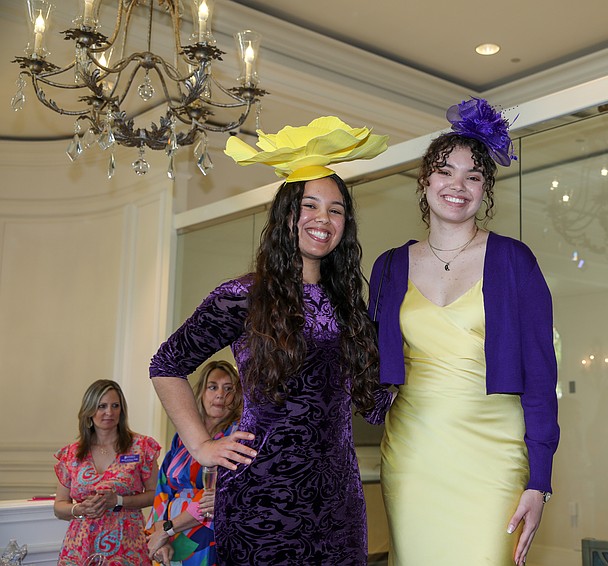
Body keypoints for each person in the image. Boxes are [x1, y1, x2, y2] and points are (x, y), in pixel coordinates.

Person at [149, 117, 394, 565]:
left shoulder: (350, 308)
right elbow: (166, 365)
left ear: (346, 225)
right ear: (286, 216)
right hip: (262, 497)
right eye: (310, 205)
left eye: (336, 209)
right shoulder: (243, 295)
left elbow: (375, 403)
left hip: (338, 499)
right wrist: (203, 445)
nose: (323, 218)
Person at [369, 97, 560, 566]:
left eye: (473, 176)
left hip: (495, 452)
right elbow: (366, 361)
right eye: (445, 171)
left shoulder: (515, 261)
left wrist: (539, 482)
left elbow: (540, 377)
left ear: (484, 189)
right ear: (425, 181)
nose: (458, 185)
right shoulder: (389, 266)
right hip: (413, 452)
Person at [53, 379, 161, 566]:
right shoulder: (71, 453)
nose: (109, 412)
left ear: (122, 410)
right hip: (80, 547)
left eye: (115, 406)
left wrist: (119, 501)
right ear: (89, 411)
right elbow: (59, 506)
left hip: (127, 545)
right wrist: (79, 509)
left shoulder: (142, 447)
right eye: (102, 406)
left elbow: (156, 495)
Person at [146, 360, 243, 566]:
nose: (220, 395)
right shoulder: (183, 437)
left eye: (229, 389)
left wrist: (168, 529)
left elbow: (214, 497)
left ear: (237, 397)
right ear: (201, 392)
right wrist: (158, 532)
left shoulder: (235, 436)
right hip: (168, 537)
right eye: (213, 387)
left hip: (206, 536)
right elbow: (163, 488)